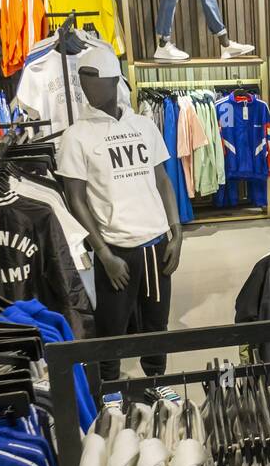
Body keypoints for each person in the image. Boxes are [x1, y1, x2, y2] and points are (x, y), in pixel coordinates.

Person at [58, 46, 184, 382]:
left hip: (156, 247)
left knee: (157, 325)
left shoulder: (143, 125)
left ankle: (156, 383)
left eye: (93, 79)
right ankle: (111, 392)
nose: (87, 88)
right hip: (116, 251)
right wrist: (102, 252)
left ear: (113, 80)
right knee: (111, 329)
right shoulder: (76, 137)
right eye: (82, 80)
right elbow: (75, 199)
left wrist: (177, 232)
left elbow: (162, 180)